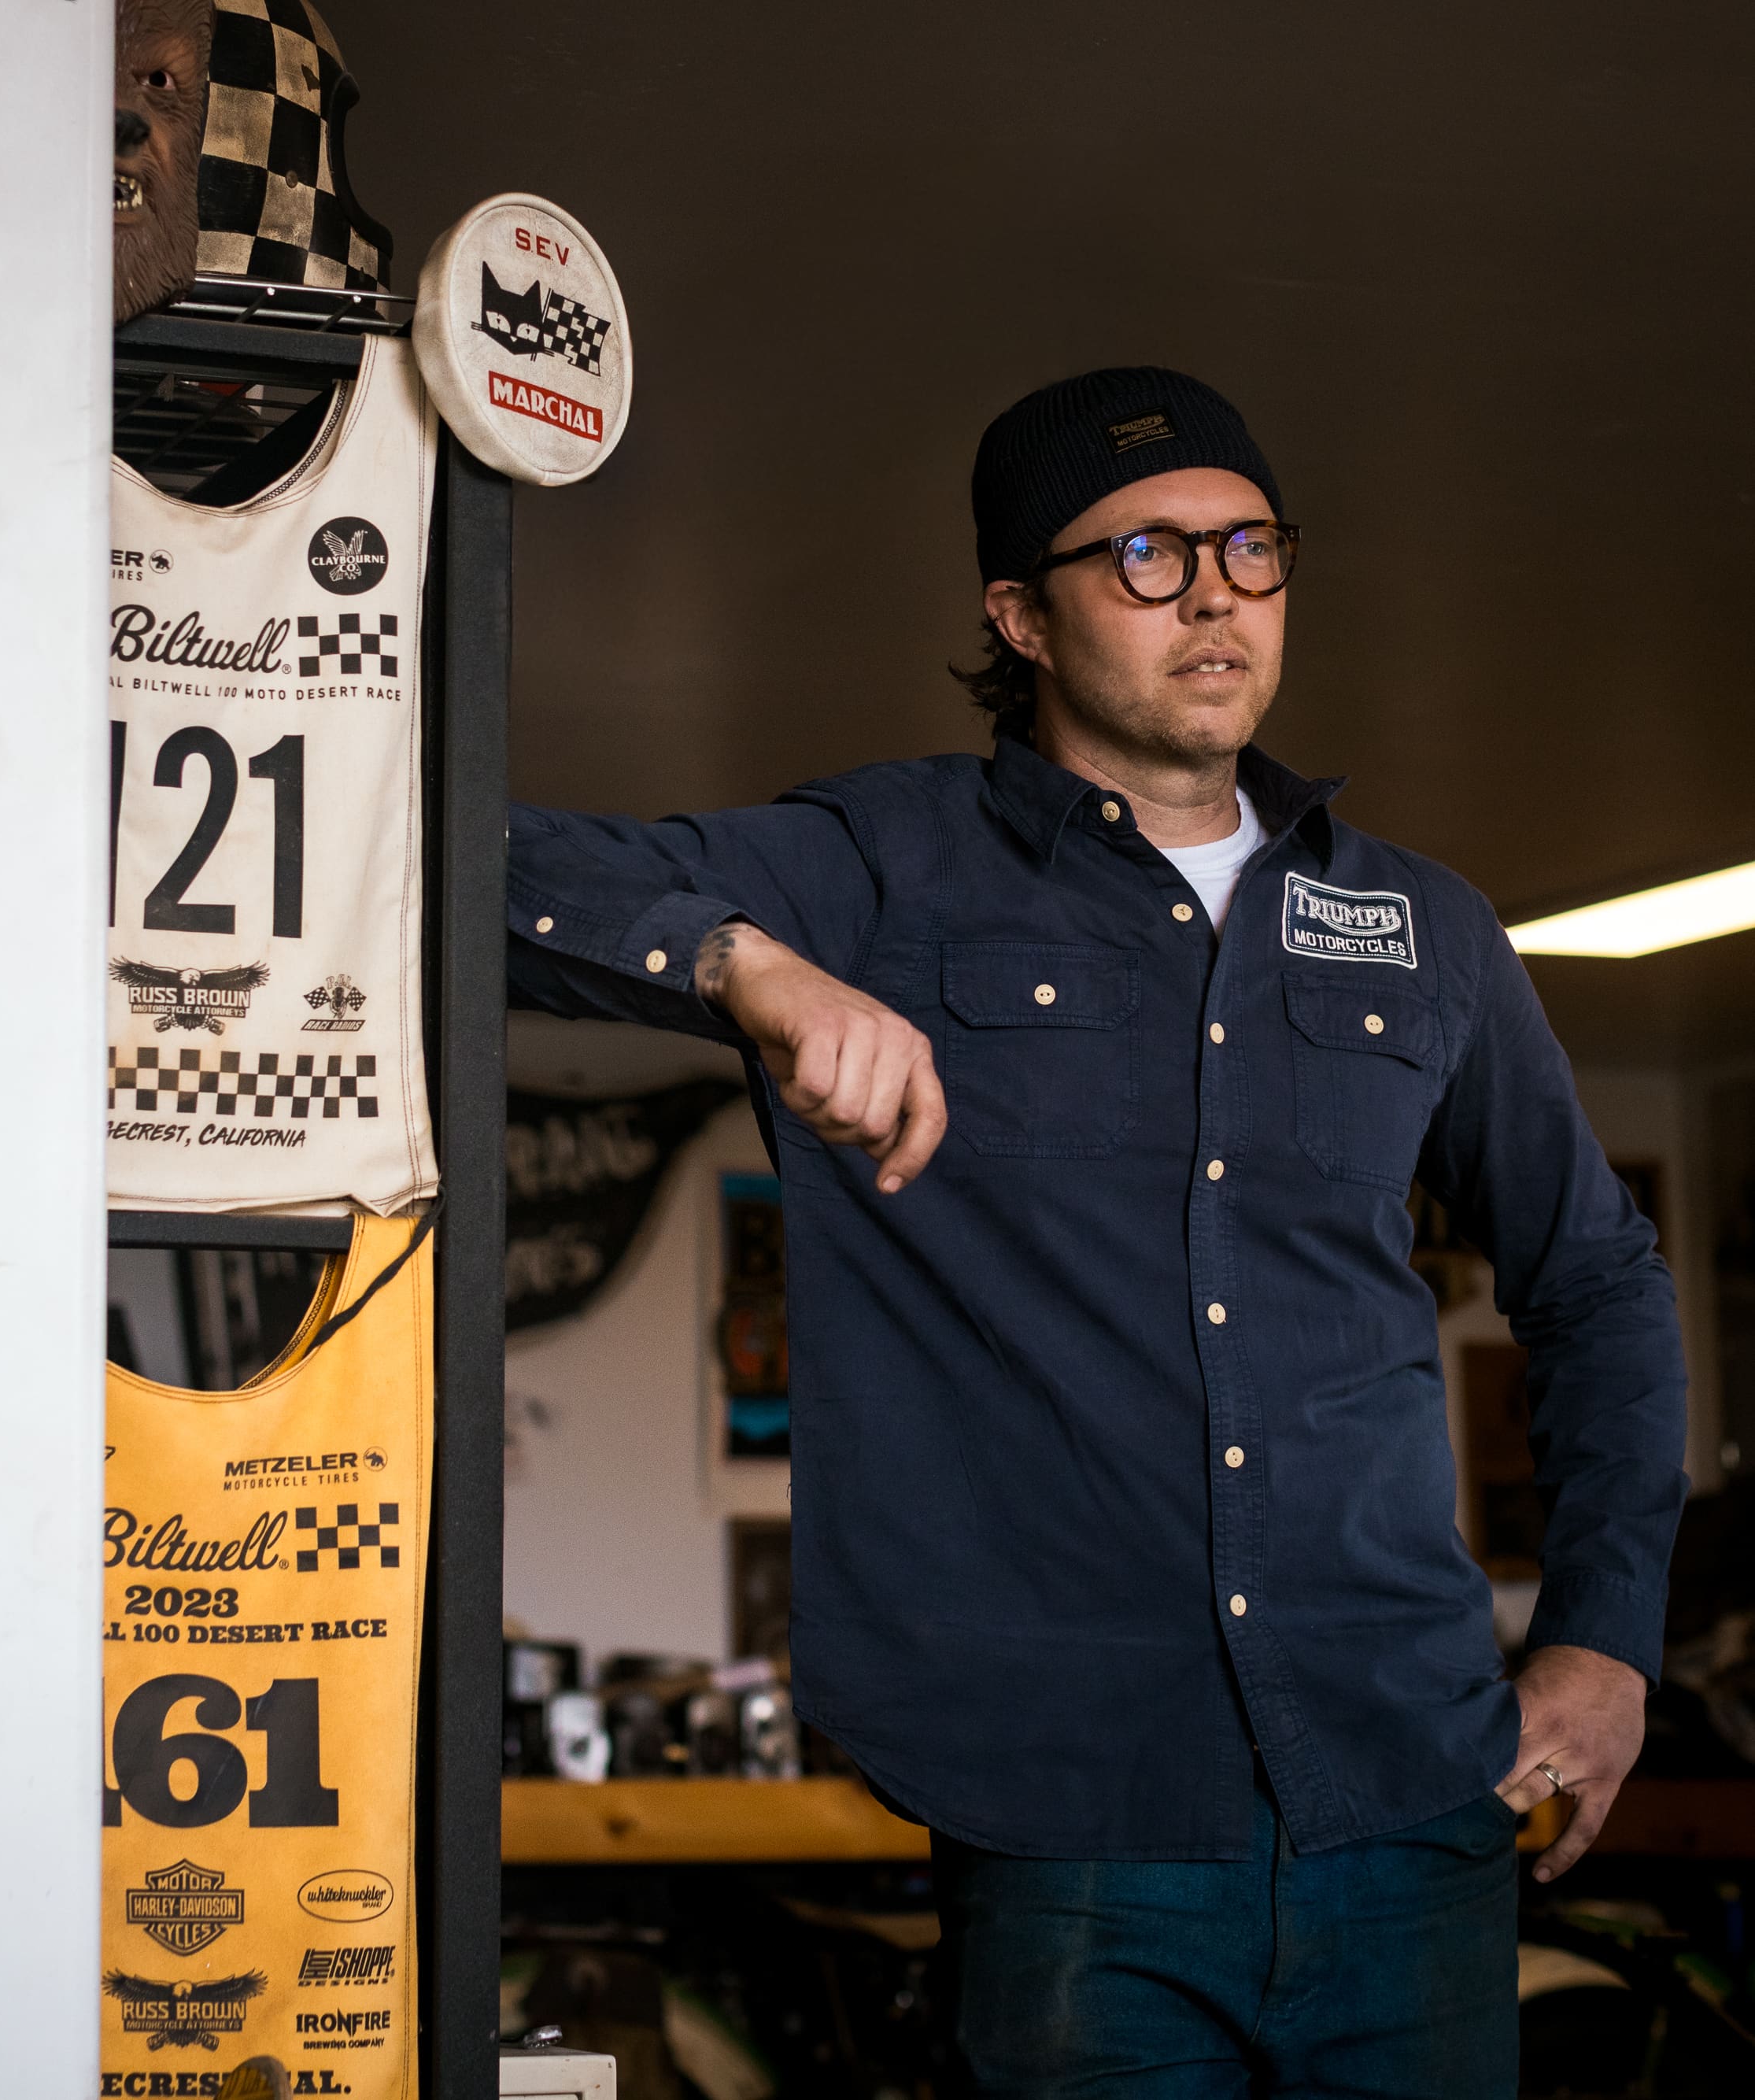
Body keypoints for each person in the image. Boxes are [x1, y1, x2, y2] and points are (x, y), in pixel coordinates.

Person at [504, 368, 1687, 2094]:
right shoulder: (881, 865)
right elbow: (467, 854)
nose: (1212, 592)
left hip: (1410, 1804)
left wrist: (1601, 1639)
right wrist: (743, 962)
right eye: (1142, 553)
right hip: (1069, 1831)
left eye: (1247, 547)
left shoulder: (1418, 930)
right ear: (1020, 615)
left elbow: (1592, 1281)